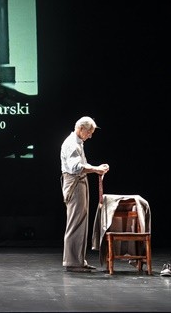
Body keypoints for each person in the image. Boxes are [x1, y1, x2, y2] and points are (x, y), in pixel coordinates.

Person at [61, 116, 109, 272]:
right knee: (76, 221)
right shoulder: (71, 144)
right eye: (89, 132)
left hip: (79, 181)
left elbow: (82, 165)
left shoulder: (78, 143)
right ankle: (72, 262)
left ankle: (78, 260)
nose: (91, 135)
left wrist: (96, 167)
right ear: (80, 129)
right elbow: (75, 167)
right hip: (75, 182)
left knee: (81, 221)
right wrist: (96, 169)